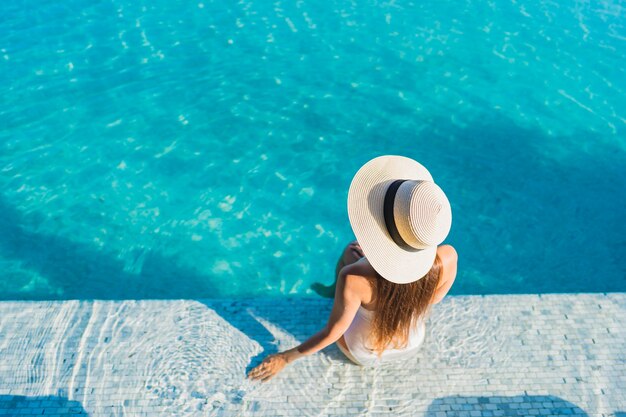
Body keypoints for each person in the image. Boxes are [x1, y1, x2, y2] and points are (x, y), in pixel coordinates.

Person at [248, 155, 458, 382]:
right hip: (411, 343)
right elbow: (428, 300)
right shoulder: (448, 257)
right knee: (356, 258)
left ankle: (332, 291)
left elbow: (332, 333)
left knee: (349, 253)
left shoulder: (354, 277)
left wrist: (285, 358)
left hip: (363, 352)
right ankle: (335, 291)